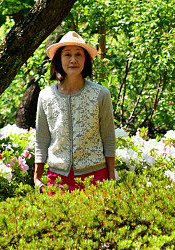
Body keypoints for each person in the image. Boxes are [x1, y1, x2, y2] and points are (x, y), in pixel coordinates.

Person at [33, 31, 116, 190]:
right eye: (67, 54)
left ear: (86, 59)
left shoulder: (101, 94)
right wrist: (37, 178)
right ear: (58, 59)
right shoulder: (45, 96)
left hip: (96, 177)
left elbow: (109, 138)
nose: (73, 60)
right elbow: (42, 139)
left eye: (79, 54)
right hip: (57, 179)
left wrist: (111, 177)